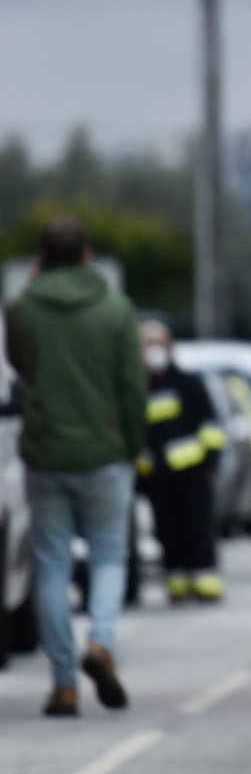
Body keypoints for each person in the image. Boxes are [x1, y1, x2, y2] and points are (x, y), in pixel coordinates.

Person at [3, 218, 146, 717]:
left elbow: (21, 367)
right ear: (87, 256)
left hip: (45, 453)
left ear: (40, 259)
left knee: (51, 563)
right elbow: (132, 384)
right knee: (108, 556)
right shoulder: (115, 310)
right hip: (105, 450)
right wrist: (133, 443)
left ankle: (63, 683)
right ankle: (101, 643)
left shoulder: (22, 310)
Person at [138, 321, 227, 604]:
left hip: (192, 471)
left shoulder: (188, 383)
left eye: (158, 344)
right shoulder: (138, 388)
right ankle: (176, 578)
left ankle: (204, 578)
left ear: (170, 347)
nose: (154, 351)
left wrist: (210, 459)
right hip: (157, 476)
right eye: (148, 345)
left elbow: (211, 426)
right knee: (166, 528)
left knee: (198, 525)